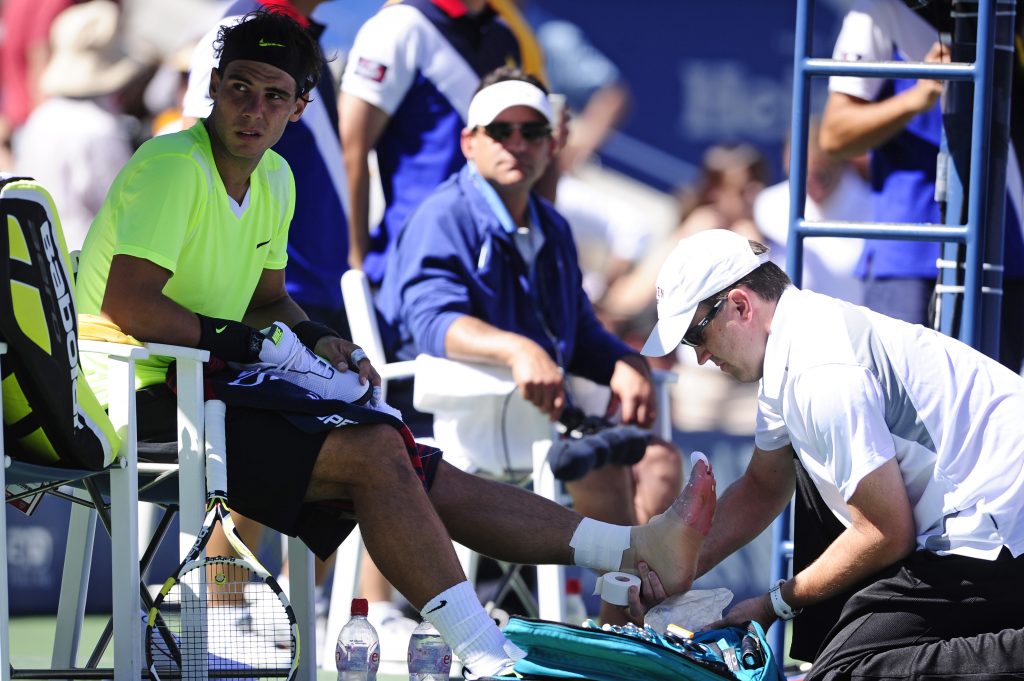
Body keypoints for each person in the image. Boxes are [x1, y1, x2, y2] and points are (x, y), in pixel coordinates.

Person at [75, 10, 716, 678]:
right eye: (239, 87)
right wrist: (249, 343)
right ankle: (489, 656)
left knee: (407, 455)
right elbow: (130, 305)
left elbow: (270, 303)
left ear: (298, 107)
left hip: (202, 389)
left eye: (273, 95)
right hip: (127, 398)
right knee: (382, 453)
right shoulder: (172, 165)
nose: (252, 109)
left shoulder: (275, 179)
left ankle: (625, 550)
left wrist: (324, 340)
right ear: (214, 85)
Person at [634, 228, 1024, 679]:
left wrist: (776, 602)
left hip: (998, 528)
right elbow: (763, 487)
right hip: (986, 517)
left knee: (844, 674)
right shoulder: (798, 339)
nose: (699, 356)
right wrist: (680, 567)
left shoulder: (819, 372)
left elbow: (885, 531)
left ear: (740, 305)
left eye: (695, 335)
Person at [378, 67, 684, 626]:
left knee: (650, 459)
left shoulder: (551, 224)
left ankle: (630, 630)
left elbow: (579, 333)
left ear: (552, 143)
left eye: (533, 132)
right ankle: (628, 626)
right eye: (502, 131)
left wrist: (625, 362)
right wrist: (517, 350)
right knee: (608, 461)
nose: (518, 143)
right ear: (470, 141)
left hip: (536, 421)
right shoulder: (443, 215)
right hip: (443, 423)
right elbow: (429, 320)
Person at [178, 0, 352, 643]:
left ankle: (265, 607)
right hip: (257, 281)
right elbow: (199, 140)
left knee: (342, 428)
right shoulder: (239, 32)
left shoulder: (306, 40)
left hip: (305, 279)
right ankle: (223, 614)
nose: (257, 106)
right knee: (260, 440)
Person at [339, 0, 524, 285]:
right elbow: (350, 150)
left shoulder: (505, 36)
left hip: (481, 269)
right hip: (403, 265)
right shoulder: (399, 25)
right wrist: (356, 264)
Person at [14, 0, 143, 252]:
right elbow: (121, 208)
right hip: (81, 260)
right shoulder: (100, 129)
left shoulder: (41, 117)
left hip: (38, 255)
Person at [753, 118, 871, 304]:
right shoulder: (765, 205)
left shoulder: (873, 208)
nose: (809, 184)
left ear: (840, 162)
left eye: (820, 175)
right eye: (799, 174)